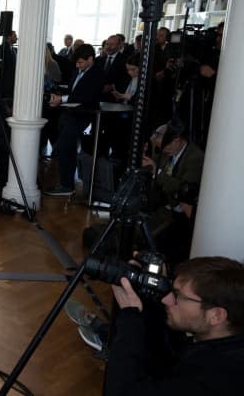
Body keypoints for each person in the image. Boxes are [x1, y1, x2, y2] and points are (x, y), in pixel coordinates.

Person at [104, 256, 244, 395]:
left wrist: (130, 320)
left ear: (216, 316)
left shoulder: (215, 380)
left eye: (178, 295)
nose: (168, 300)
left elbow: (120, 392)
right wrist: (154, 293)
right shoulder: (225, 342)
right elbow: (169, 360)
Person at [45, 44, 106, 196]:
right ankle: (67, 184)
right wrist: (58, 96)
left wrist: (62, 99)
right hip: (69, 114)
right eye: (77, 63)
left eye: (80, 62)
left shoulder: (97, 74)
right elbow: (73, 90)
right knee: (68, 149)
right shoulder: (77, 71)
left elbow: (86, 96)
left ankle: (66, 186)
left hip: (83, 116)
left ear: (90, 59)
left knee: (63, 148)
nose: (78, 65)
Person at [142, 120, 204, 265]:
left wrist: (156, 171)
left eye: (165, 146)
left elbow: (182, 190)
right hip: (164, 209)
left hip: (181, 217)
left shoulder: (195, 157)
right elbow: (154, 163)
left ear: (177, 140)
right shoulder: (169, 151)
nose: (163, 150)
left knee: (153, 241)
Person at [0, 30, 17, 101]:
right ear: (9, 37)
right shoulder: (2, 49)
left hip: (11, 82)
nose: (17, 38)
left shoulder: (13, 49)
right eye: (15, 36)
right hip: (4, 83)